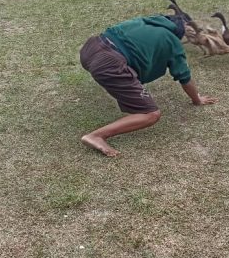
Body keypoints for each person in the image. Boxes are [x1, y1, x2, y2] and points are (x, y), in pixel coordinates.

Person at [79, 14, 217, 157]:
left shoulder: (144, 21)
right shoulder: (172, 41)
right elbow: (185, 78)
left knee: (125, 66)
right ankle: (96, 136)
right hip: (108, 65)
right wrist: (197, 99)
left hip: (89, 49)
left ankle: (116, 82)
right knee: (150, 114)